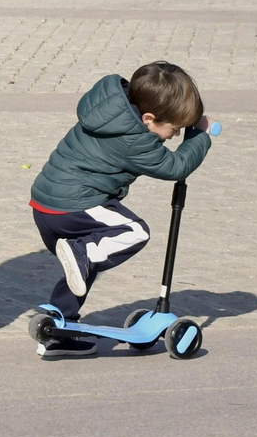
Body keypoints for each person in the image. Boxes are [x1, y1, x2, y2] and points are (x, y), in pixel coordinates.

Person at [27, 61, 216, 358]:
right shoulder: (134, 138)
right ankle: (83, 255)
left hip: (45, 205)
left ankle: (59, 326)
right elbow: (176, 166)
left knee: (85, 264)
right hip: (74, 204)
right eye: (174, 129)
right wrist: (200, 136)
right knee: (133, 232)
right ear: (149, 118)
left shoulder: (109, 112)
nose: (174, 136)